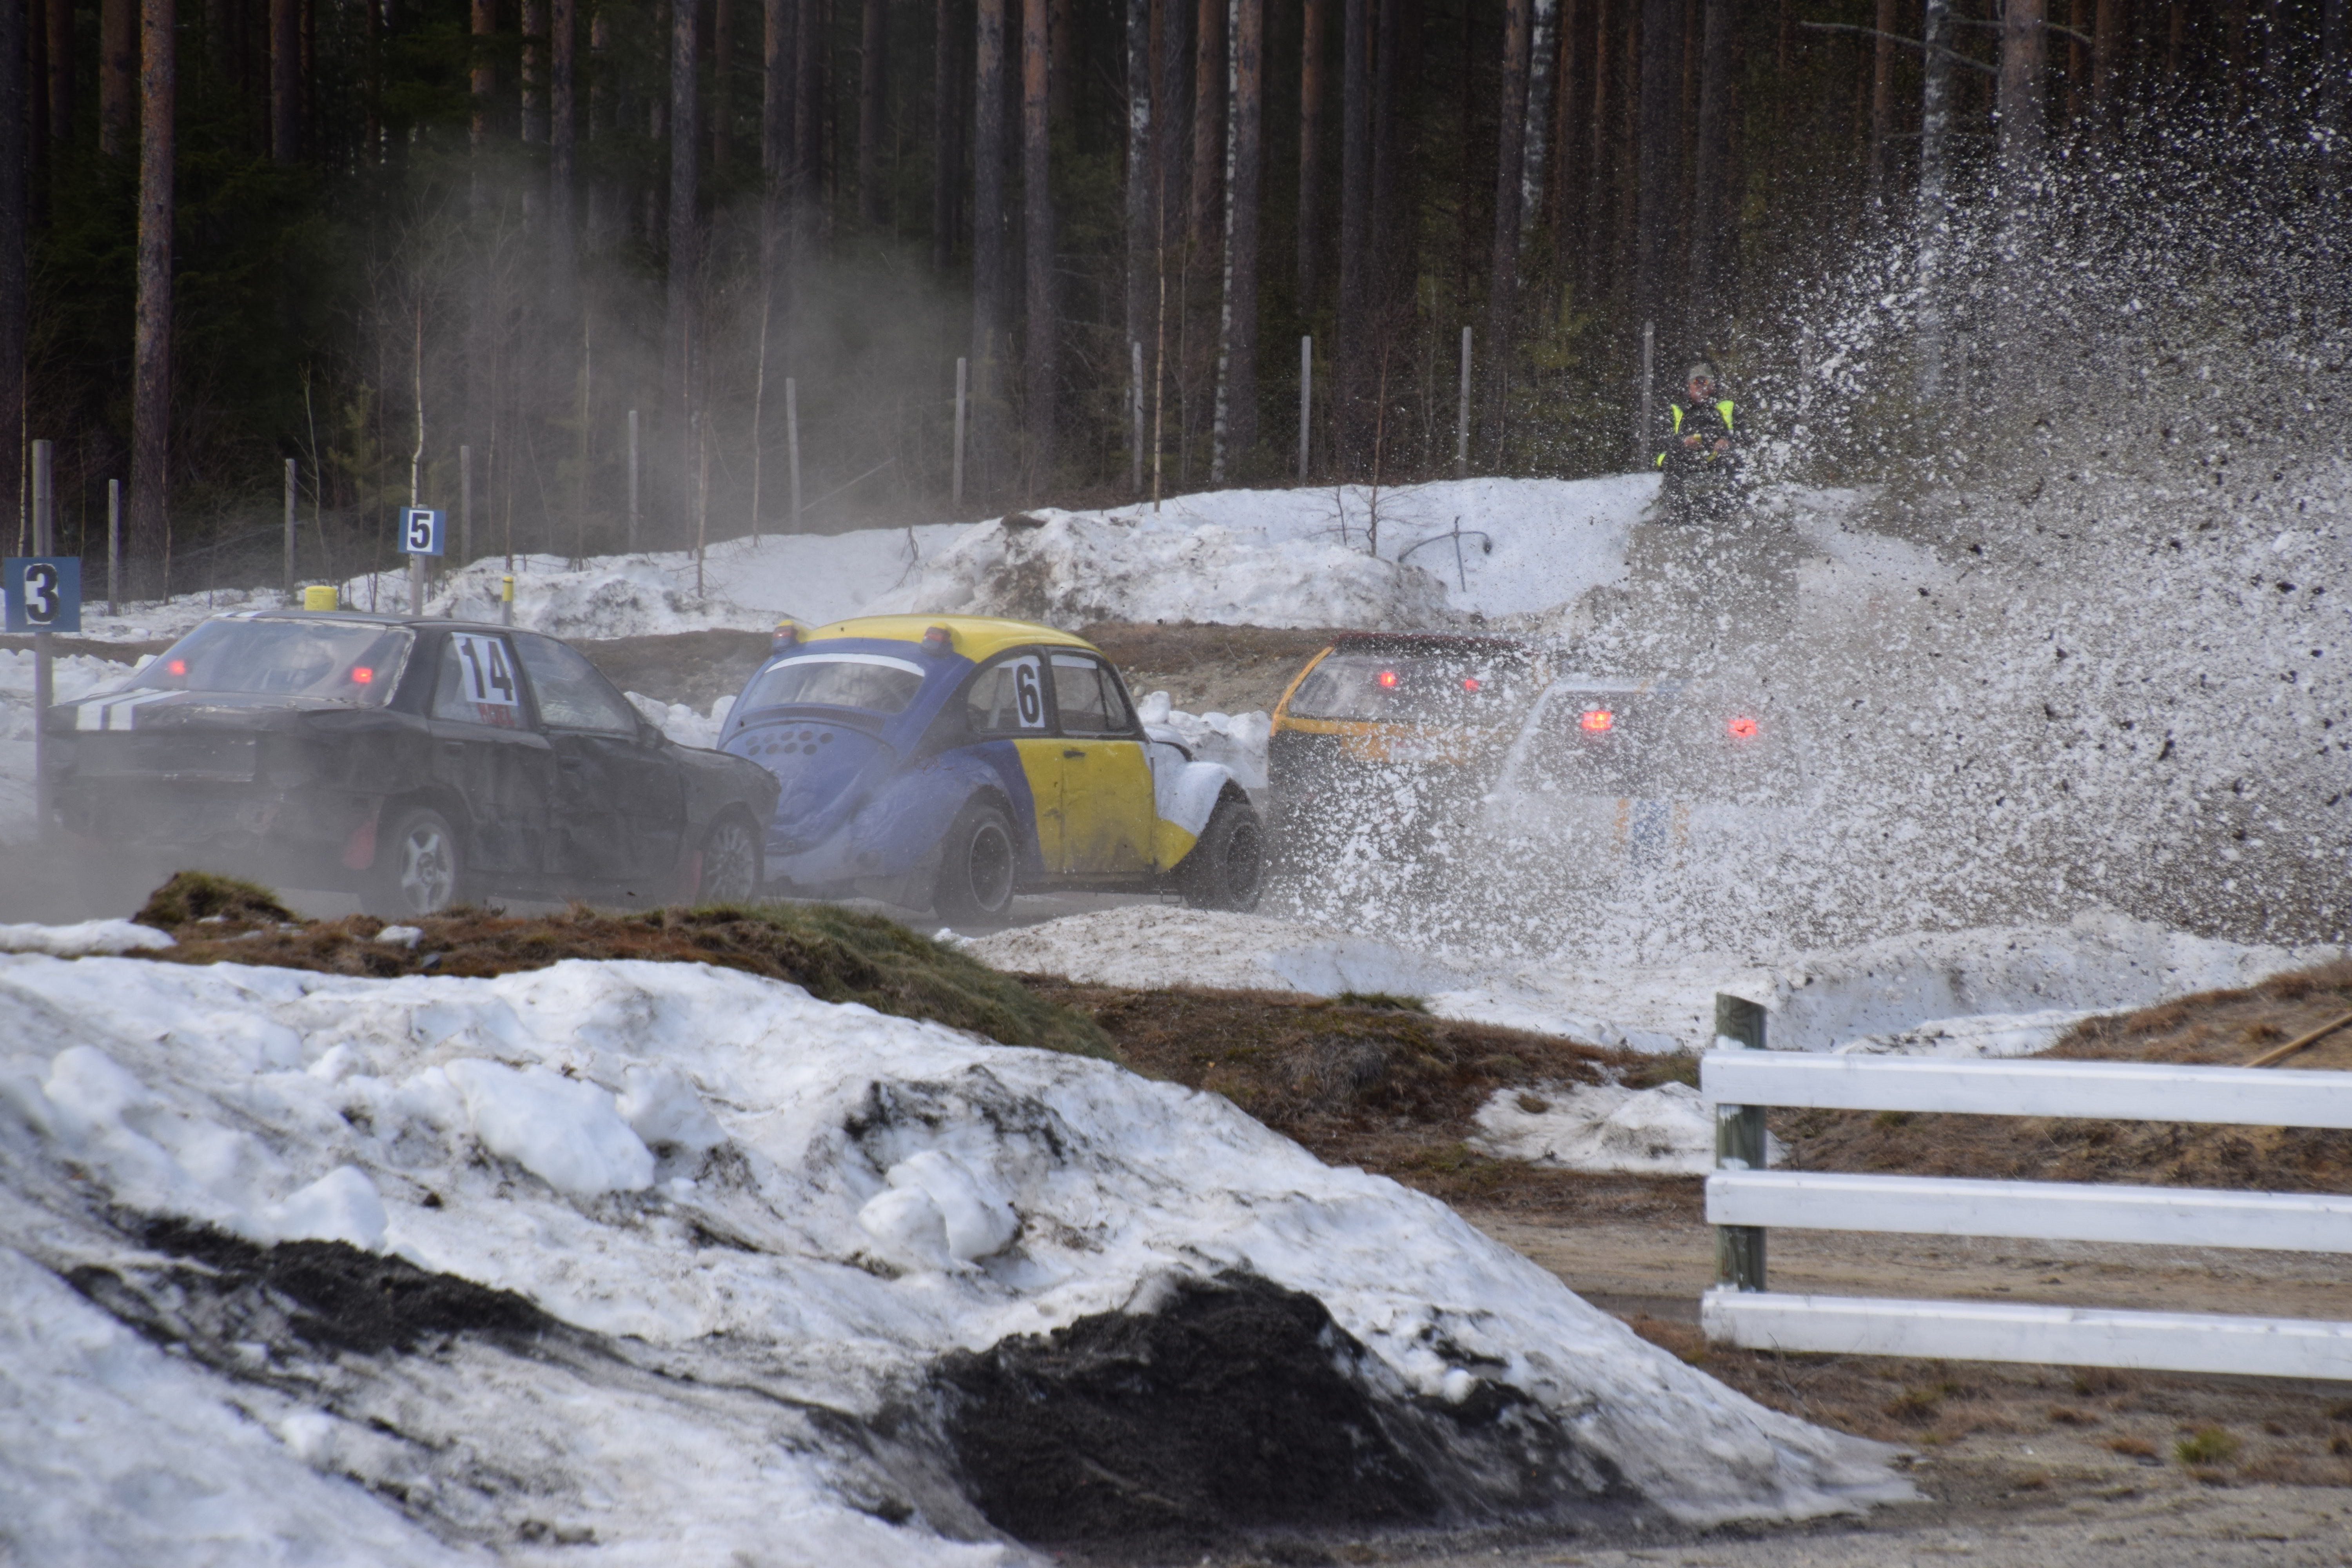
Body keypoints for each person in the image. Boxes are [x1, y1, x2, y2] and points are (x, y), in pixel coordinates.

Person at [1654, 362, 1739, 522]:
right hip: (1685, 460)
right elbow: (1661, 441)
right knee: (1672, 460)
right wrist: (1683, 442)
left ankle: (1732, 509)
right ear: (1689, 386)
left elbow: (1746, 436)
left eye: (1706, 384)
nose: (1701, 389)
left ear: (1713, 386)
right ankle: (1675, 511)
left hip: (1717, 459)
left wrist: (1727, 441)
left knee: (1738, 459)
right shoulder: (1676, 410)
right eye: (1697, 384)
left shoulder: (1728, 408)